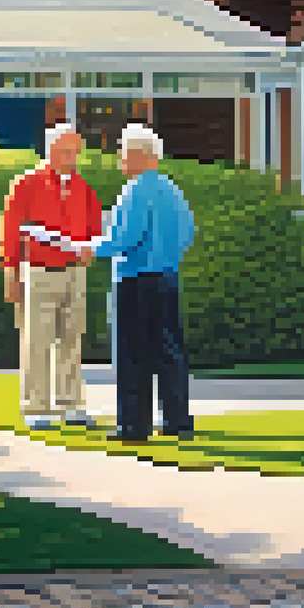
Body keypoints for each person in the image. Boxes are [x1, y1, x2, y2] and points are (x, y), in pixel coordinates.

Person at [77, 123, 196, 442]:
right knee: (169, 351)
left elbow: (125, 237)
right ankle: (177, 422)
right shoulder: (172, 189)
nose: (118, 157)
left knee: (132, 355)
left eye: (123, 151)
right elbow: (187, 234)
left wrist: (92, 248)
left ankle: (133, 426)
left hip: (135, 278)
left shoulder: (135, 190)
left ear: (140, 155)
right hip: (167, 277)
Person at [0, 122, 104, 431]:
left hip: (75, 272)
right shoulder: (26, 184)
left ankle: (71, 405)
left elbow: (95, 225)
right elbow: (10, 230)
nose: (73, 157)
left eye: (76, 151)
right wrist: (10, 271)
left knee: (72, 339)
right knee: (37, 340)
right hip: (39, 271)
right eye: (67, 151)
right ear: (52, 150)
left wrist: (92, 247)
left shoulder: (83, 187)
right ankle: (35, 407)